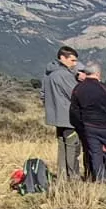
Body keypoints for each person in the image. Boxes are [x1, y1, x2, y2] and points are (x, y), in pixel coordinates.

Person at [42, 45, 83, 181]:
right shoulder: (64, 75)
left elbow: (42, 95)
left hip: (55, 117)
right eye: (72, 60)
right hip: (69, 118)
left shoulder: (48, 74)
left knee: (62, 148)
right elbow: (75, 94)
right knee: (72, 148)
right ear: (62, 58)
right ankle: (74, 178)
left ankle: (62, 177)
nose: (75, 64)